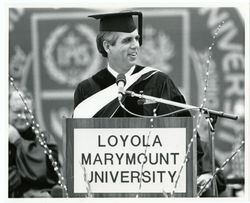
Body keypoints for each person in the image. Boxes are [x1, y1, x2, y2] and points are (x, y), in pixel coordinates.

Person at [73, 10, 225, 197]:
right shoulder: (87, 90)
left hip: (154, 189)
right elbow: (82, 147)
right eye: (127, 40)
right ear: (107, 46)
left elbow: (184, 134)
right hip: (106, 190)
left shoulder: (158, 82)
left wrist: (203, 171)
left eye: (137, 39)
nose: (136, 45)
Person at [9, 89, 59, 197]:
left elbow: (44, 173)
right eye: (17, 112)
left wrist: (18, 141)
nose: (22, 117)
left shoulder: (45, 139)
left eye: (26, 111)